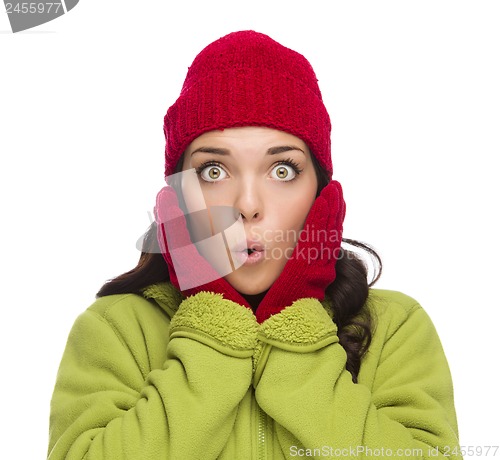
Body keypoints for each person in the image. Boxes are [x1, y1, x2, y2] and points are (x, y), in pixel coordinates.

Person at [47, 30, 462, 459]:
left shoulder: (395, 327)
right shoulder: (114, 330)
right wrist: (212, 322)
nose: (247, 205)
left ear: (321, 195)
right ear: (178, 198)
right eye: (213, 171)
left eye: (282, 170)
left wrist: (295, 333)